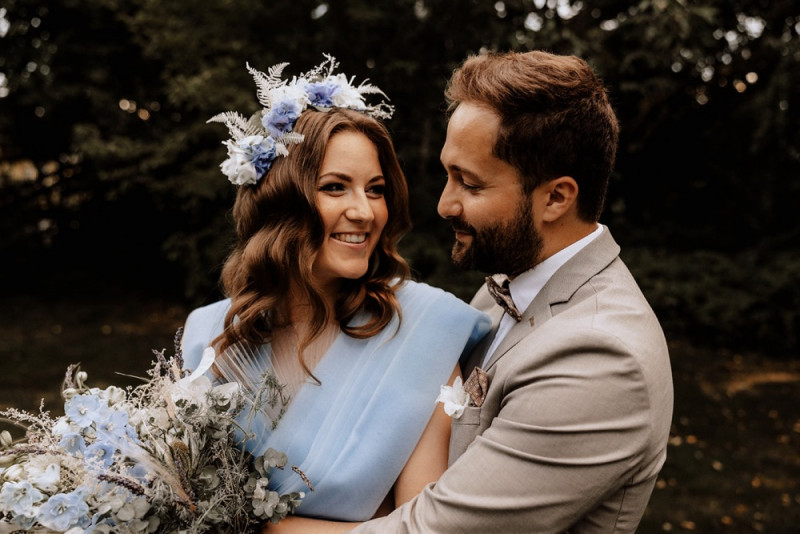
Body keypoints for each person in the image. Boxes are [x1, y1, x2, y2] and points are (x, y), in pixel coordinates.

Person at [272, 50, 674, 533]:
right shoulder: (499, 291)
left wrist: (255, 525)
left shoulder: (602, 359)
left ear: (556, 198)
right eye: (448, 174)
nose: (444, 204)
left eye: (470, 183)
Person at [180, 56, 491, 525]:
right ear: (281, 199)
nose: (365, 212)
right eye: (335, 187)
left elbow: (422, 524)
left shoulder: (427, 330)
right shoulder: (210, 333)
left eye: (376, 189)